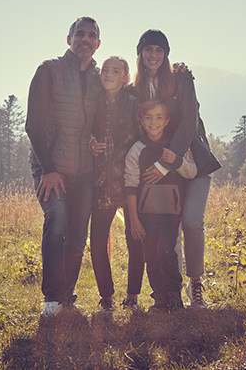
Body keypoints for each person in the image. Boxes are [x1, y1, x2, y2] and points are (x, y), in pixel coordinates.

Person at [132, 29, 221, 309]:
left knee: (192, 223)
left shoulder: (181, 78)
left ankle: (196, 285)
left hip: (190, 160)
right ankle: (173, 293)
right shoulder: (136, 86)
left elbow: (188, 123)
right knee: (169, 229)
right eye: (148, 50)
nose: (153, 55)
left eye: (159, 50)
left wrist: (165, 163)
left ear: (167, 54)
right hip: (158, 168)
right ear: (140, 54)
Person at [25, 16, 102, 317]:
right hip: (51, 167)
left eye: (91, 35)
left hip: (84, 171)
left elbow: (98, 122)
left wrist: (96, 140)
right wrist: (48, 169)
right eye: (79, 34)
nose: (85, 40)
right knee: (56, 220)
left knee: (78, 234)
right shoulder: (49, 71)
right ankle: (52, 298)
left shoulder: (97, 79)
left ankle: (67, 294)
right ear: (68, 39)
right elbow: (33, 126)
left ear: (98, 43)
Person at [125, 99, 197, 312]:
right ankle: (159, 299)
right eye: (148, 117)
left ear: (166, 120)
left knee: (166, 250)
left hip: (170, 213)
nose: (153, 122)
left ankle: (174, 298)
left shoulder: (176, 146)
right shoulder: (137, 150)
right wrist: (134, 221)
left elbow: (192, 172)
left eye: (158, 117)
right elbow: (130, 185)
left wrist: (176, 161)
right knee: (151, 255)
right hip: (145, 214)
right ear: (141, 120)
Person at [88, 56, 144, 313]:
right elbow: (83, 128)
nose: (108, 74)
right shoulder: (94, 102)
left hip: (130, 179)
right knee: (98, 240)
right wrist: (89, 140)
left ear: (125, 77)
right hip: (102, 182)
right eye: (105, 70)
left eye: (116, 71)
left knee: (135, 237)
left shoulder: (133, 104)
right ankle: (106, 297)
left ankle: (132, 296)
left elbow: (144, 138)